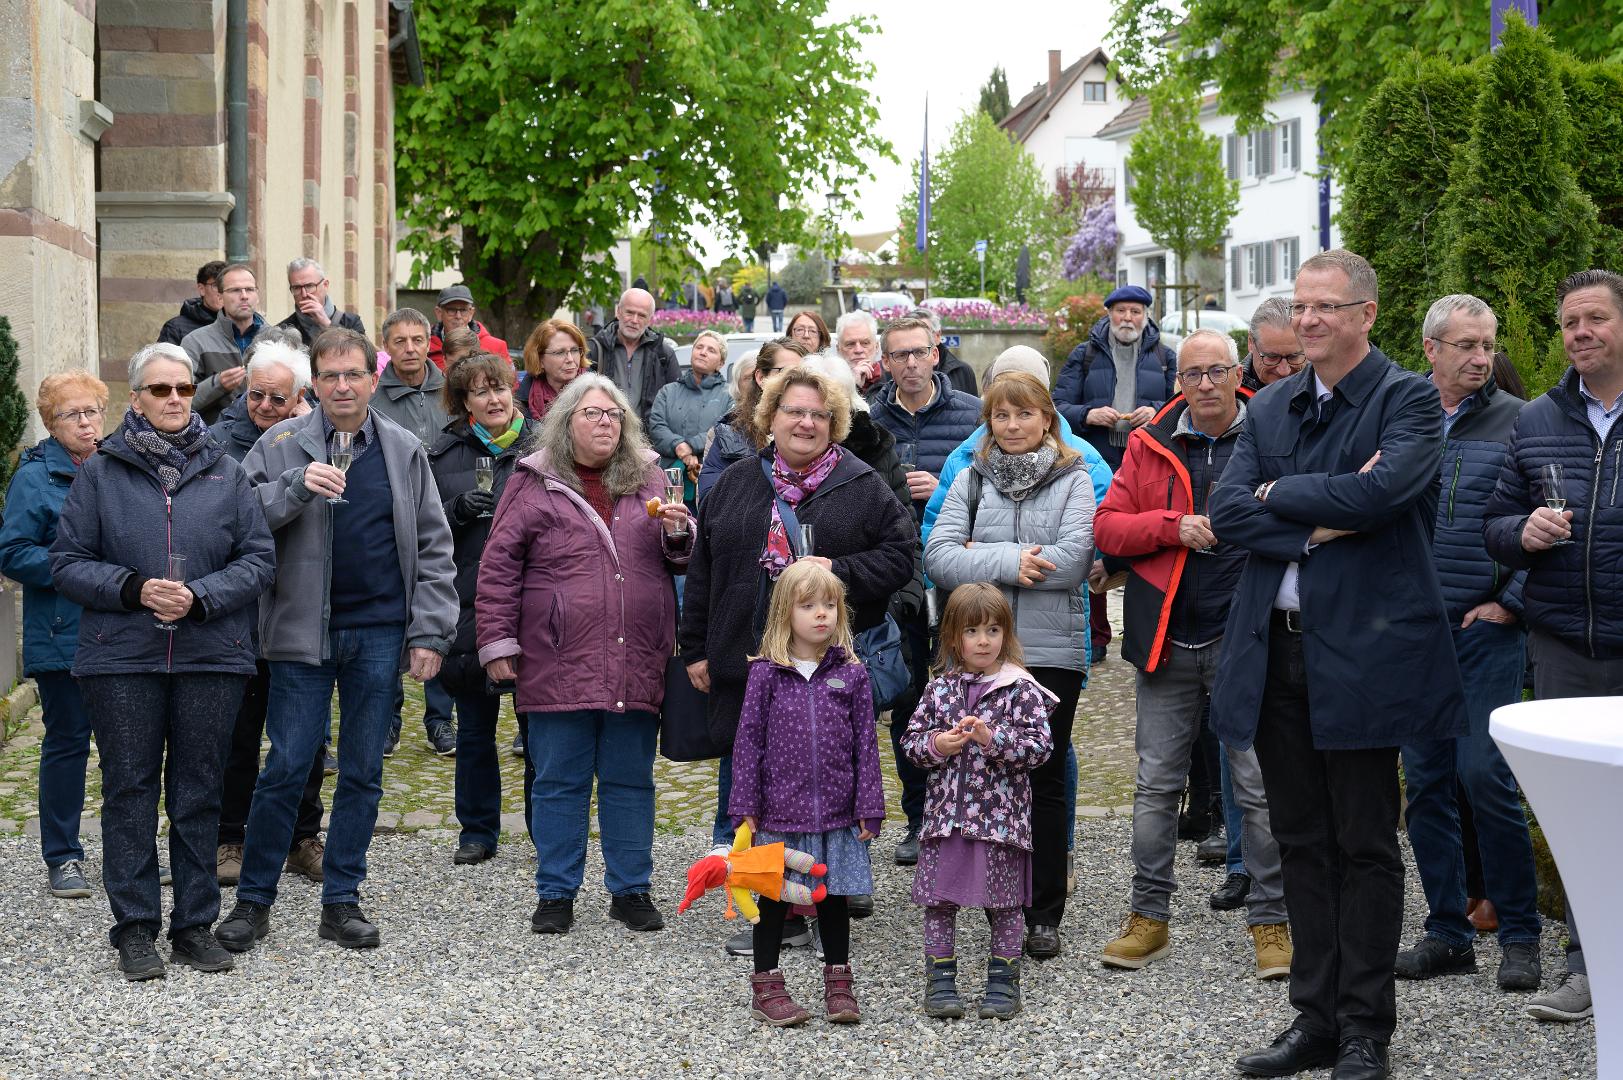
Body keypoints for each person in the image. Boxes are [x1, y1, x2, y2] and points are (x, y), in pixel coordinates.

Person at [1210, 249, 1467, 1080]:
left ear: (1367, 313)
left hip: (1363, 657)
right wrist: (1318, 516)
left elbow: (1382, 495)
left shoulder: (1407, 401)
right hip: (1275, 651)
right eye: (1300, 305)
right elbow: (1223, 511)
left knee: (1362, 843)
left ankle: (1364, 1028)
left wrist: (1278, 497)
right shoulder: (1273, 403)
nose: (1308, 319)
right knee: (1298, 841)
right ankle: (1312, 1020)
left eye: (1326, 306)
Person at [222, 327, 457, 954]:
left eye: (354, 374)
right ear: (314, 385)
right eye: (330, 376)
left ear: (372, 380)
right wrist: (296, 489)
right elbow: (235, 517)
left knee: (362, 770)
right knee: (287, 767)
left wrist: (430, 629)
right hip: (302, 634)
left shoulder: (405, 448)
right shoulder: (279, 444)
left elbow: (435, 547)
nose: (343, 385)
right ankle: (253, 902)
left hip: (379, 634)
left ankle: (342, 898)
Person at [50, 342, 276, 981]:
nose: (174, 399)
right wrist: (132, 588)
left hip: (210, 653)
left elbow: (258, 559)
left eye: (182, 388)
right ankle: (136, 926)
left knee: (199, 793)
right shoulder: (101, 472)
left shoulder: (226, 470)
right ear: (136, 400)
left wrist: (201, 598)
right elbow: (66, 562)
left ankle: (194, 924)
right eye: (160, 390)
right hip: (122, 656)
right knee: (129, 790)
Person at [681, 365, 915, 955]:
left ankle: (829, 897)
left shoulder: (861, 484)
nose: (805, 422)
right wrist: (695, 648)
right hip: (748, 664)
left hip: (827, 671)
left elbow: (901, 556)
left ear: (833, 423)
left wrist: (839, 573)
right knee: (755, 790)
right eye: (793, 411)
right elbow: (703, 570)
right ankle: (774, 912)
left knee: (827, 784)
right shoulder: (735, 484)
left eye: (817, 414)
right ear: (770, 418)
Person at [1091, 329, 1291, 981]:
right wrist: (1169, 527)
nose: (1203, 383)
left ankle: (1270, 922)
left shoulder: (1270, 432)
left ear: (1237, 373)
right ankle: (1148, 919)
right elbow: (1107, 527)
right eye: (1190, 373)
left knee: (1258, 791)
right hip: (1167, 641)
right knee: (1154, 789)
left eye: (1215, 371)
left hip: (1248, 642)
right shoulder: (1149, 445)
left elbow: (1299, 513)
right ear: (1176, 382)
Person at [476, 374, 691, 934]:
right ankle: (555, 892)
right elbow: (498, 568)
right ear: (565, 420)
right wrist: (497, 642)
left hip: (634, 655)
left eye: (614, 415)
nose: (605, 423)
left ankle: (631, 889)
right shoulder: (533, 481)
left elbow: (682, 561)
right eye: (592, 413)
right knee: (558, 780)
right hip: (555, 655)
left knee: (629, 779)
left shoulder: (648, 477)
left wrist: (679, 536)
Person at [1386, 294, 1540, 995]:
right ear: (1430, 350)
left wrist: (1509, 603)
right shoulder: (1397, 418)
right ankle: (1446, 931)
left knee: (1483, 775)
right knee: (1424, 786)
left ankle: (1519, 934)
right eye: (1465, 346)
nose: (1480, 358)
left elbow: (1554, 524)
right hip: (1415, 636)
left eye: (1487, 345)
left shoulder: (1522, 423)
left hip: (1483, 634)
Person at [1484, 267, 1623, 1025]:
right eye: (1568, 322)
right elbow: (1495, 524)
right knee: (1579, 813)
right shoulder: (1537, 419)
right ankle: (1585, 966)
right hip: (1564, 643)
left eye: (1594, 318)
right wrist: (1522, 534)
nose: (1579, 333)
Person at [924, 371, 1097, 961]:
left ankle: (1042, 910)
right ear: (989, 423)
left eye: (1025, 415)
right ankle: (969, 894)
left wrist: (980, 557)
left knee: (1042, 779)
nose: (1014, 426)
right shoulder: (971, 476)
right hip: (974, 648)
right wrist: (1007, 560)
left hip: (1049, 653)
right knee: (968, 767)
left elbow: (1074, 560)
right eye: (1002, 416)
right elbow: (939, 556)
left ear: (1047, 418)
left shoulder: (1074, 477)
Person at [728, 559, 885, 1026]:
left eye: (830, 605)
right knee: (774, 900)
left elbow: (866, 745)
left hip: (837, 813)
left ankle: (839, 985)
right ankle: (766, 984)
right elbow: (748, 742)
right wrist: (745, 805)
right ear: (785, 613)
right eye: (809, 605)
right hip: (779, 814)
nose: (822, 614)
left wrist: (868, 805)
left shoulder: (852, 675)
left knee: (833, 898)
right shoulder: (765, 675)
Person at [901, 582, 1054, 1021]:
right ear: (953, 638)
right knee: (940, 901)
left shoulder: (1021, 690)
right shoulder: (938, 690)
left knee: (1005, 903)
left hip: (1000, 823)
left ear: (1006, 634)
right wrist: (938, 746)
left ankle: (1003, 981)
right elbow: (911, 744)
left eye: (992, 630)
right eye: (972, 631)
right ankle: (941, 978)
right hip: (944, 820)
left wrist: (992, 739)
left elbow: (1041, 750)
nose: (983, 641)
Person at [208, 334, 329, 888]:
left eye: (278, 400)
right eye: (256, 395)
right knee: (237, 733)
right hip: (235, 613)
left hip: (299, 610)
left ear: (301, 395)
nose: (264, 408)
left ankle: (302, 836)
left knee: (302, 735)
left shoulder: (321, 441)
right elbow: (221, 521)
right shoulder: (215, 445)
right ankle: (229, 837)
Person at [867, 315, 982, 866]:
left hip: (962, 575)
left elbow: (992, 487)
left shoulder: (971, 415)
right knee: (911, 702)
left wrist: (945, 490)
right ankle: (918, 817)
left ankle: (970, 814)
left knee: (970, 697)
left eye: (919, 352)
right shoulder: (870, 419)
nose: (910, 364)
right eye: (899, 355)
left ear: (936, 353)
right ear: (885, 363)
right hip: (898, 579)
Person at [429, 351, 541, 865]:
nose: (493, 398)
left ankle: (546, 828)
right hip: (469, 603)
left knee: (539, 729)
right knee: (474, 728)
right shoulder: (444, 452)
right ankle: (477, 829)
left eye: (499, 387)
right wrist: (455, 512)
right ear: (465, 402)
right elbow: (423, 528)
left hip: (534, 605)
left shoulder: (545, 445)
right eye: (480, 391)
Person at [0, 371, 108, 900]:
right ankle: (63, 855)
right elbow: (13, 552)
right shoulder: (34, 476)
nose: (85, 424)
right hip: (63, 629)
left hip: (123, 629)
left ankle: (130, 852)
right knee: (68, 742)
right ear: (50, 423)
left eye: (92, 412)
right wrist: (77, 568)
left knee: (127, 749)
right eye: (72, 415)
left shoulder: (117, 464)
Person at [1054, 285, 1176, 665]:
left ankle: (1150, 626)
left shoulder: (1164, 355)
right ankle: (1098, 634)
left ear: (1146, 316)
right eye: (1121, 311)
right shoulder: (1085, 354)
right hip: (1098, 457)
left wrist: (1154, 411)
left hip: (1148, 458)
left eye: (1136, 312)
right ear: (1109, 314)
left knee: (1147, 536)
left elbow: (1179, 404)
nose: (1128, 319)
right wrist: (1089, 413)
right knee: (1095, 538)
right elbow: (1058, 406)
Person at [375, 307, 456, 757]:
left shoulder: (449, 391)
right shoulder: (374, 397)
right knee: (391, 624)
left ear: (430, 343)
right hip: (393, 521)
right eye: (400, 341)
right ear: (387, 347)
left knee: (437, 616)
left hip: (449, 518)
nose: (410, 348)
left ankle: (440, 720)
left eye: (417, 340)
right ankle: (388, 718)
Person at [696, 338, 809, 502]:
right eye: (785, 372)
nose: (795, 382)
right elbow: (709, 504)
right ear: (761, 377)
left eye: (802, 373)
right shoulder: (730, 433)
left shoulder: (817, 428)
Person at [649, 328, 731, 497]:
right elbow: (657, 426)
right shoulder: (668, 391)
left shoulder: (729, 395)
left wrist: (691, 446)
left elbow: (725, 429)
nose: (703, 353)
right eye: (699, 347)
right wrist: (678, 446)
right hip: (668, 476)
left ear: (721, 363)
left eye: (711, 350)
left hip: (710, 478)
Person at [182, 262, 265, 423]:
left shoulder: (276, 339)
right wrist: (217, 385)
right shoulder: (195, 341)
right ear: (220, 297)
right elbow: (180, 400)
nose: (244, 296)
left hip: (268, 440)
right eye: (235, 290)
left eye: (249, 289)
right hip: (214, 441)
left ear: (257, 294)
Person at [590, 287, 680, 423]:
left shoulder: (663, 354)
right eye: (630, 313)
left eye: (642, 315)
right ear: (618, 312)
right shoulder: (596, 349)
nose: (634, 320)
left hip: (648, 439)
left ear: (650, 319)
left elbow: (676, 402)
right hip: (604, 433)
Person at [276, 258, 367, 348]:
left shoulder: (352, 322)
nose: (304, 294)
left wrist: (327, 324)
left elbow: (364, 356)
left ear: (325, 285)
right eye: (296, 288)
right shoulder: (282, 331)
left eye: (309, 286)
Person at [904, 306, 980, 397]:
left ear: (938, 336)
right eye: (911, 335)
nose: (917, 340)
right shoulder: (894, 369)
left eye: (925, 333)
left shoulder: (962, 371)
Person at [428, 284, 509, 369]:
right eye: (451, 310)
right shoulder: (423, 347)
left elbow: (510, 381)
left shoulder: (497, 346)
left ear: (471, 313)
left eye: (463, 310)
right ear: (439, 313)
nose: (458, 316)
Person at [518, 318, 585, 420]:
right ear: (539, 359)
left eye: (575, 350)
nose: (570, 359)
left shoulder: (597, 391)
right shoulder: (520, 402)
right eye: (560, 352)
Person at [1242, 297, 1305, 391]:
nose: (1284, 372)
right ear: (1251, 342)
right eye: (1272, 357)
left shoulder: (1325, 387)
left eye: (1293, 356)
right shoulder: (1230, 394)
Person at [158, 260, 226, 345]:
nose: (223, 292)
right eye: (216, 286)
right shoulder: (176, 328)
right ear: (202, 289)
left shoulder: (241, 324)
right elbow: (164, 358)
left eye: (228, 286)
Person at [832, 310, 884, 395]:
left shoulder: (894, 381)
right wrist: (854, 385)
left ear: (877, 346)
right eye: (850, 344)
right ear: (838, 349)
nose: (858, 350)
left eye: (865, 343)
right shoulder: (827, 384)